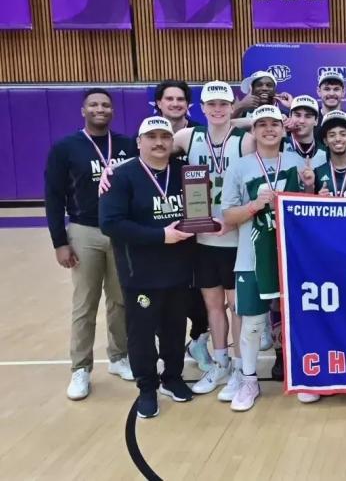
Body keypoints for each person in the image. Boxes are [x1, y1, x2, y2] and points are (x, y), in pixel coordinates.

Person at [98, 116, 199, 418]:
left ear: (172, 142)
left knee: (174, 328)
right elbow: (110, 224)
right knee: (141, 334)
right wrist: (160, 235)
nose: (159, 142)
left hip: (179, 269)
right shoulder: (120, 176)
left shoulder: (185, 172)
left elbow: (199, 212)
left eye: (164, 137)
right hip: (139, 272)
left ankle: (172, 377)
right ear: (138, 142)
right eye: (151, 137)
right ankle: (147, 387)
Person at [221, 105, 317, 408]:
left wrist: (310, 187)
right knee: (251, 322)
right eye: (261, 125)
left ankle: (302, 375)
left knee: (298, 319)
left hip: (293, 254)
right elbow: (227, 216)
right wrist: (254, 206)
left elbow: (311, 210)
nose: (269, 130)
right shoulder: (239, 166)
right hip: (251, 255)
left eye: (274, 124)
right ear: (253, 131)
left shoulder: (298, 161)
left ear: (283, 128)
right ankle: (249, 382)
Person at [45, 88, 135, 400]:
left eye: (106, 105)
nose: (101, 109)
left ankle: (120, 356)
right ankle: (80, 368)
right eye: (94, 104)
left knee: (121, 300)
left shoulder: (127, 145)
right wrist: (60, 241)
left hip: (122, 232)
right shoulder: (66, 148)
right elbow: (54, 197)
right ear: (83, 110)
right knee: (85, 304)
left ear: (112, 110)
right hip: (84, 231)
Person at [153, 80, 212, 370]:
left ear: (188, 104)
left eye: (180, 99)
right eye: (169, 99)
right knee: (164, 293)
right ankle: (166, 352)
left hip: (199, 223)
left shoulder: (200, 133)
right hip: (163, 225)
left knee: (202, 292)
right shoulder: (147, 136)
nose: (175, 103)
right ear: (159, 103)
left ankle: (198, 340)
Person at [282, 95, 328, 169]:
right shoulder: (279, 146)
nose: (302, 121)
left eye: (308, 116)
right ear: (290, 116)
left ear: (316, 121)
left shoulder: (326, 152)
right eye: (297, 115)